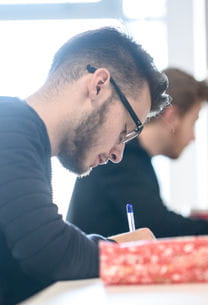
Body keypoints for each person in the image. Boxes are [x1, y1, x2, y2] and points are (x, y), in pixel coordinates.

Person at [0, 27, 170, 305]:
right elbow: (51, 253)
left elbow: (24, 268)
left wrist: (114, 248)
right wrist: (124, 251)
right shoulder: (9, 126)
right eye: (125, 131)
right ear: (99, 86)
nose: (118, 154)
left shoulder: (26, 141)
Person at [67, 68, 208, 239]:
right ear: (171, 117)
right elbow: (160, 226)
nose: (193, 137)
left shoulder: (137, 159)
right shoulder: (122, 159)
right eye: (194, 121)